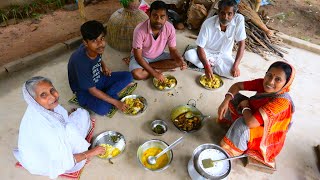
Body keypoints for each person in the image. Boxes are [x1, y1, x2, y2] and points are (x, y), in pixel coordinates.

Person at [13, 76, 105, 179]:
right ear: (33, 100)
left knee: (82, 114)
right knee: (82, 117)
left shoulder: (39, 108)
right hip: (54, 165)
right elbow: (65, 163)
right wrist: (92, 152)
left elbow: (62, 117)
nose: (53, 96)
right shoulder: (46, 130)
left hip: (51, 143)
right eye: (43, 95)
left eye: (52, 90)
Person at [217, 61, 295, 168]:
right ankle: (232, 130)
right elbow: (237, 86)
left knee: (242, 124)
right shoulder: (263, 83)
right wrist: (225, 101)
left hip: (266, 132)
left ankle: (231, 151)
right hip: (255, 114)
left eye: (278, 79)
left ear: (286, 83)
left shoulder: (282, 102)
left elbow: (250, 123)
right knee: (233, 97)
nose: (270, 82)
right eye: (269, 75)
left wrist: (245, 106)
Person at [68, 20, 134, 115]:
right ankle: (111, 95)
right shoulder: (81, 62)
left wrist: (104, 66)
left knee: (128, 76)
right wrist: (116, 102)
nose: (100, 44)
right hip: (85, 91)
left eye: (102, 38)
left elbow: (97, 57)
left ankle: (107, 95)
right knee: (103, 109)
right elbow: (92, 90)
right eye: (94, 40)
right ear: (85, 43)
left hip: (99, 78)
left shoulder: (96, 49)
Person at [184, 0, 246, 79]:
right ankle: (209, 65)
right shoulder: (208, 23)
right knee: (188, 55)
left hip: (224, 55)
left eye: (229, 14)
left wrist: (235, 66)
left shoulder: (239, 20)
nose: (225, 17)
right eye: (222, 13)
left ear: (234, 14)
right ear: (218, 12)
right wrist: (206, 66)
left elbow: (242, 44)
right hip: (207, 53)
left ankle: (210, 66)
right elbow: (200, 47)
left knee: (233, 75)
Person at [129, 0, 186, 82]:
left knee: (179, 61)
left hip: (159, 56)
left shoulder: (170, 28)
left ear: (166, 17)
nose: (158, 20)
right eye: (155, 15)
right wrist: (155, 73)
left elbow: (173, 50)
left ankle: (147, 68)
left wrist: (180, 61)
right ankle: (158, 68)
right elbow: (138, 57)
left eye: (162, 16)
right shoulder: (139, 30)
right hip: (143, 57)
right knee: (137, 74)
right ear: (149, 14)